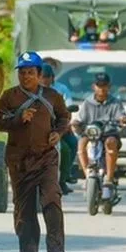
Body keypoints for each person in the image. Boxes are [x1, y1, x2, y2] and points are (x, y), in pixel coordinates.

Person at [0, 51, 70, 252]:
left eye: (30, 73)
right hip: (20, 160)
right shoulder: (10, 96)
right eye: (22, 73)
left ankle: (56, 248)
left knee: (52, 199)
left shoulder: (52, 96)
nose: (25, 77)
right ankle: (29, 251)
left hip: (46, 157)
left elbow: (64, 116)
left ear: (39, 74)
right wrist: (18, 118)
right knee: (24, 207)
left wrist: (59, 132)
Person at [71, 73, 126, 199]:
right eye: (99, 86)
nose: (101, 89)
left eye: (104, 86)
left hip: (109, 133)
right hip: (91, 133)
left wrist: (122, 120)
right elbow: (79, 119)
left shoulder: (115, 102)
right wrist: (75, 123)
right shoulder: (88, 102)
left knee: (111, 143)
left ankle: (109, 178)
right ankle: (87, 173)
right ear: (94, 87)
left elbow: (121, 117)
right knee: (81, 144)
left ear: (109, 87)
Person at [41, 64, 77, 195]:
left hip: (56, 128)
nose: (44, 80)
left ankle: (63, 178)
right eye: (42, 77)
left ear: (52, 78)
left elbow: (68, 109)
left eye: (47, 77)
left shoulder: (61, 90)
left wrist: (65, 125)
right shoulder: (30, 90)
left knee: (69, 146)